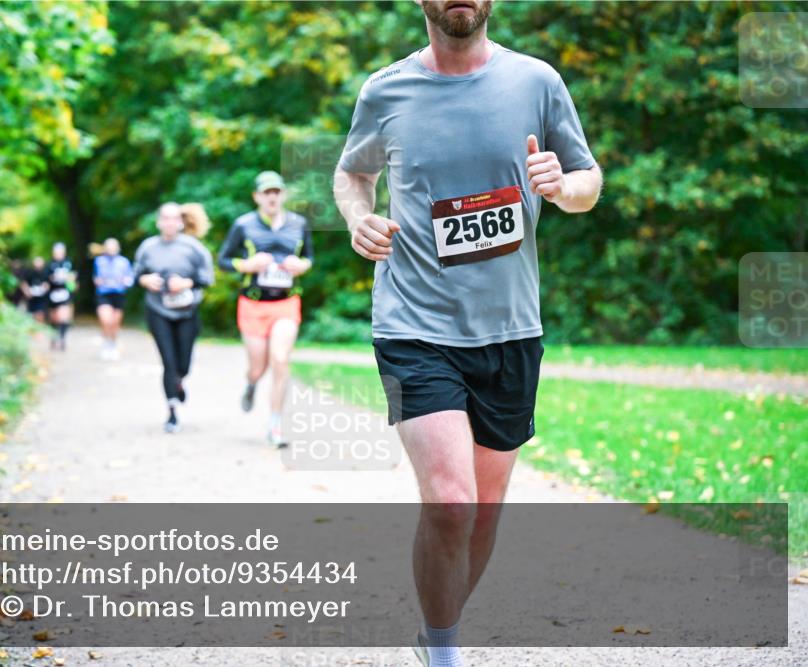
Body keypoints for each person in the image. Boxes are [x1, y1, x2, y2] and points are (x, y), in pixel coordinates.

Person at [333, 2, 603, 665]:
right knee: (451, 501)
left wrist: (562, 186)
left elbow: (588, 181)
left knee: (484, 507)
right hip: (412, 324)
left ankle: (434, 632)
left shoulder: (536, 81)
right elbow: (352, 174)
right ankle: (447, 652)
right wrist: (357, 220)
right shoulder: (386, 88)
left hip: (511, 328)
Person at [218, 171, 313, 448]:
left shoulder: (299, 224)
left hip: (286, 302)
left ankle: (275, 425)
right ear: (257, 196)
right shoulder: (243, 225)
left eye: (277, 192)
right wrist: (247, 265)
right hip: (253, 303)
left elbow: (309, 258)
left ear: (283, 195)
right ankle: (251, 383)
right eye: (266, 192)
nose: (272, 197)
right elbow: (224, 260)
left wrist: (302, 266)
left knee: (280, 359)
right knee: (257, 368)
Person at [134, 203, 215, 433]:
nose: (169, 222)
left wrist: (185, 283)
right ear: (159, 221)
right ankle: (172, 413)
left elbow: (207, 278)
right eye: (165, 218)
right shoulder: (148, 247)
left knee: (183, 364)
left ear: (180, 222)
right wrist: (146, 280)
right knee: (168, 362)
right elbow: (136, 274)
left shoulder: (194, 248)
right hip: (158, 310)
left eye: (174, 218)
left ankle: (179, 381)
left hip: (188, 311)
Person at [93, 238, 134, 360]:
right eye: (109, 247)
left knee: (115, 323)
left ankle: (113, 345)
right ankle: (106, 344)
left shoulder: (124, 262)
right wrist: (97, 281)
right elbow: (95, 277)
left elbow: (130, 278)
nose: (111, 249)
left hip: (118, 294)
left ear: (118, 248)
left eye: (113, 247)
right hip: (104, 294)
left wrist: (126, 282)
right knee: (107, 320)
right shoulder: (99, 261)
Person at [46, 242, 77, 351]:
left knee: (63, 317)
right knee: (54, 319)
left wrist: (72, 284)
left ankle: (63, 339)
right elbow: (46, 279)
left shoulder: (68, 263)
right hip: (53, 294)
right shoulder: (50, 264)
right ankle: (54, 336)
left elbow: (73, 279)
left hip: (65, 293)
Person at [20, 256, 50, 324]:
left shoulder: (45, 272)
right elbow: (23, 283)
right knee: (32, 315)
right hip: (32, 298)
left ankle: (40, 328)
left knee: (40, 314)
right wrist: (27, 291)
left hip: (42, 298)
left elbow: (48, 284)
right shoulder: (29, 272)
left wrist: (45, 287)